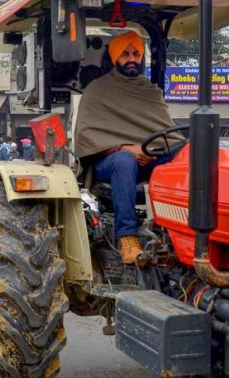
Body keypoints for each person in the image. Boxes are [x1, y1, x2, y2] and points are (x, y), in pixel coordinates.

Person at [74, 30, 178, 265]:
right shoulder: (97, 90)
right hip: (109, 162)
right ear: (114, 58)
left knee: (183, 159)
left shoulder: (151, 92)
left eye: (136, 54)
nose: (132, 59)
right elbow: (88, 136)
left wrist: (147, 150)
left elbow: (165, 133)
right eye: (125, 54)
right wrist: (125, 148)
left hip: (150, 157)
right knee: (124, 161)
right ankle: (128, 237)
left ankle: (176, 230)